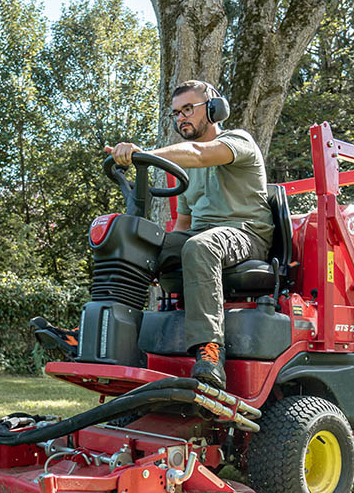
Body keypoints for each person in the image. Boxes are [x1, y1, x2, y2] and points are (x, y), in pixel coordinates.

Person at [105, 80, 273, 389]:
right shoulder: (185, 170)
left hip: (246, 235)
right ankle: (105, 333)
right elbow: (183, 222)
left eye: (188, 110)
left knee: (199, 246)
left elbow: (198, 152)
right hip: (201, 236)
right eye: (176, 113)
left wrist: (143, 154)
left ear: (213, 110)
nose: (181, 118)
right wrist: (154, 252)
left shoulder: (239, 141)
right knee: (129, 239)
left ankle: (210, 353)